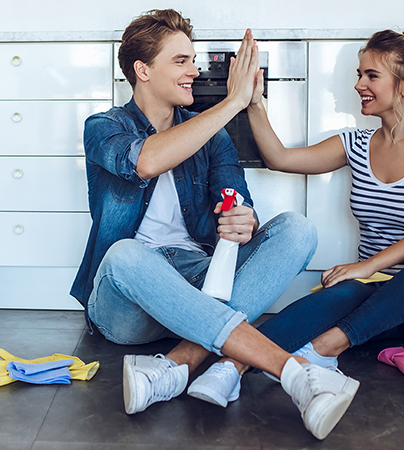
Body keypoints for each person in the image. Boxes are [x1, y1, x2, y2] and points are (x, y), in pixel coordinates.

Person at [69, 9, 359, 440]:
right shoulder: (104, 126)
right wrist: (231, 104)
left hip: (198, 282)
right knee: (125, 254)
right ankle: (294, 373)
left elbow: (237, 199)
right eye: (181, 61)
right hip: (128, 300)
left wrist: (244, 219)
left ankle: (177, 365)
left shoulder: (214, 137)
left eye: (193, 59)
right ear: (142, 70)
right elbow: (145, 161)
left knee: (298, 229)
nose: (195, 70)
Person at [196, 29, 404, 400]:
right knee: (341, 294)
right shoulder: (356, 144)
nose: (359, 84)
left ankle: (324, 348)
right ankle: (230, 368)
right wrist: (254, 102)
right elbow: (279, 158)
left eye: (371, 76)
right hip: (371, 306)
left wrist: (365, 266)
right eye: (358, 74)